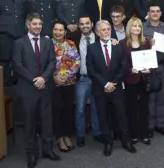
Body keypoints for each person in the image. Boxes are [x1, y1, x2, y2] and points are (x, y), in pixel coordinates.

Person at [12, 13, 60, 168]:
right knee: (30, 122)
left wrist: (43, 78)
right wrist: (34, 79)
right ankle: (31, 153)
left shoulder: (47, 42)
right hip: (28, 89)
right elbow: (18, 66)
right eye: (34, 24)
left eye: (40, 24)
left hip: (45, 87)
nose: (38, 26)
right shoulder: (19, 43)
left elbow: (52, 62)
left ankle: (48, 150)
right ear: (28, 25)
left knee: (47, 122)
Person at [86, 20, 136, 156]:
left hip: (117, 87)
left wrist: (114, 82)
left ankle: (126, 141)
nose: (106, 32)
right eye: (103, 30)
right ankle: (108, 142)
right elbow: (91, 69)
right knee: (103, 116)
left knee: (121, 114)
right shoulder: (92, 48)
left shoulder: (118, 46)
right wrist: (105, 84)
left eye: (108, 29)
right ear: (97, 32)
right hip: (99, 88)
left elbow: (123, 65)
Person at [67, 16, 104, 148]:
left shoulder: (100, 37)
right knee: (80, 108)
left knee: (96, 106)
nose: (85, 26)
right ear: (78, 25)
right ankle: (80, 135)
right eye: (81, 24)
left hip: (98, 79)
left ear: (92, 24)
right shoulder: (73, 39)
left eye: (87, 23)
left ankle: (97, 132)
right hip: (82, 79)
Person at [143, 4, 164, 137]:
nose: (155, 13)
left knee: (162, 96)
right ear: (148, 13)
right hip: (149, 67)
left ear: (160, 13)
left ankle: (160, 124)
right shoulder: (142, 27)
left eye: (157, 11)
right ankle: (149, 125)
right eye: (152, 11)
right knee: (150, 97)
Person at [51, 22, 80, 151]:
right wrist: (55, 77)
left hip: (69, 82)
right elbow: (44, 63)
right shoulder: (47, 44)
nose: (58, 32)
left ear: (65, 32)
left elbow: (77, 62)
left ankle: (67, 135)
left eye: (61, 30)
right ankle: (59, 137)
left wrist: (67, 75)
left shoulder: (71, 44)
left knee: (68, 109)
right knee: (56, 110)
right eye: (56, 30)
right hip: (54, 83)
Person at [124, 17, 152, 145]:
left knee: (144, 107)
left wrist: (149, 69)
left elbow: (150, 60)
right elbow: (121, 64)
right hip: (130, 80)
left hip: (144, 79)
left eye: (139, 26)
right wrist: (131, 70)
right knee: (131, 108)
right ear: (129, 28)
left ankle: (144, 134)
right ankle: (134, 134)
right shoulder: (122, 43)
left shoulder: (146, 42)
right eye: (134, 26)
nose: (137, 28)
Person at [0, 0, 25, 86]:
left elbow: (24, 15)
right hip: (6, 35)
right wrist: (6, 27)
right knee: (5, 60)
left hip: (19, 34)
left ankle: (17, 82)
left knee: (19, 59)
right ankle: (6, 84)